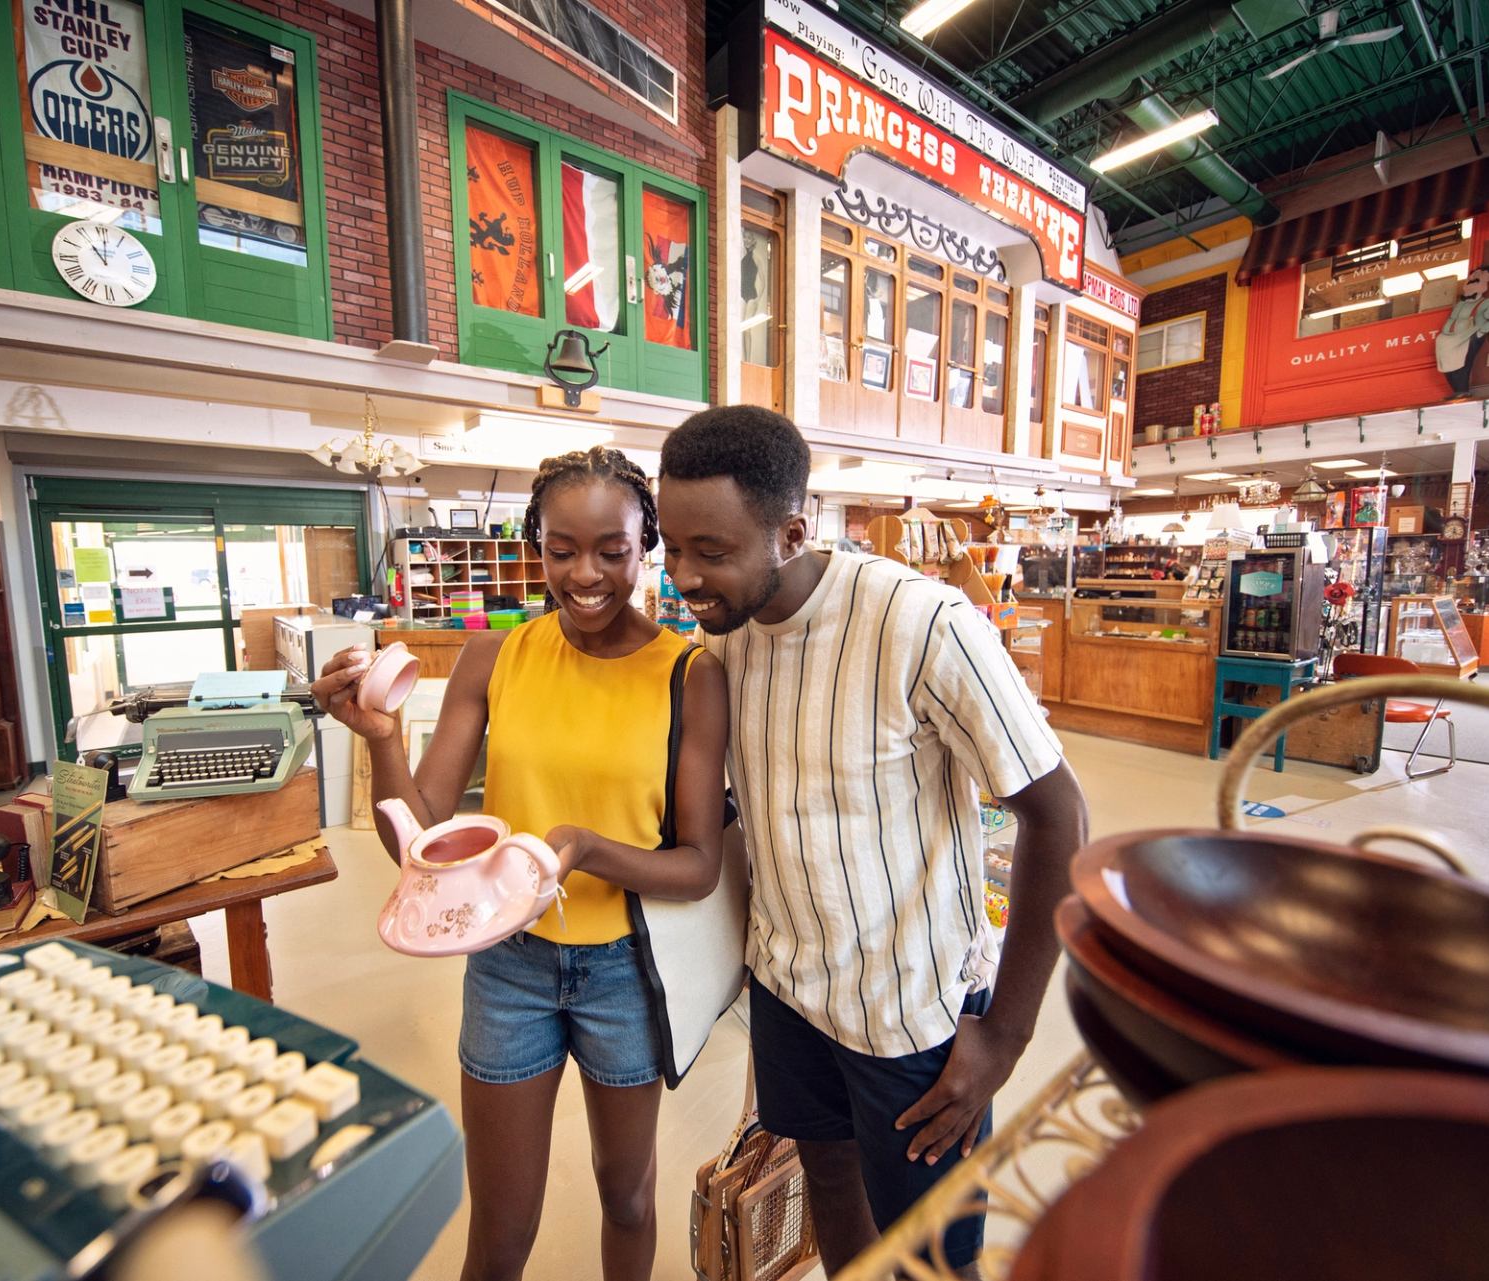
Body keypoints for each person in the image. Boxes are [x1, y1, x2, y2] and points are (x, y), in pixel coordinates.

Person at [656, 407, 1089, 1278]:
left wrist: (1004, 1032)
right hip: (787, 986)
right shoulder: (726, 639)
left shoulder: (919, 622)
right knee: (828, 1175)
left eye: (711, 551)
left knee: (931, 1251)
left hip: (910, 1012)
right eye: (670, 546)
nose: (683, 576)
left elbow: (1059, 814)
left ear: (791, 532)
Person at [312, 447, 729, 1281]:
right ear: (535, 544)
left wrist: (577, 847)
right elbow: (416, 844)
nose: (585, 575)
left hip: (625, 972)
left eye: (613, 550)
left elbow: (698, 867)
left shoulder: (689, 673)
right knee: (501, 1231)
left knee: (629, 1197)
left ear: (647, 544)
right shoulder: (493, 658)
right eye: (561, 548)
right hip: (509, 968)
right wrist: (384, 741)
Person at [1436, 263, 1489, 397]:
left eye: (1476, 280)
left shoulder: (1485, 302)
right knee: (1445, 362)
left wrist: (1480, 332)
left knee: (1462, 361)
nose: (1471, 282)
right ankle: (1456, 389)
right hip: (1448, 338)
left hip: (1469, 334)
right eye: (1470, 280)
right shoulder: (1460, 304)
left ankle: (1461, 390)